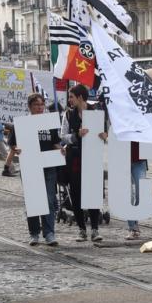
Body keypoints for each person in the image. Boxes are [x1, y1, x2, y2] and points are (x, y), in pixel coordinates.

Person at [61, 84, 107, 242]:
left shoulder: (96, 112)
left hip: (92, 156)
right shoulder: (67, 115)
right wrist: (75, 135)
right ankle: (81, 229)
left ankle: (94, 229)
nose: (69, 100)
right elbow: (63, 137)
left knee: (93, 192)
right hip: (74, 157)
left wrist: (104, 135)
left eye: (71, 96)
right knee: (76, 193)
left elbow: (106, 132)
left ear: (80, 97)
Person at [15, 94, 60, 246]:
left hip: (48, 166)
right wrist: (17, 150)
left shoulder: (49, 122)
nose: (40, 108)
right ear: (30, 107)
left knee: (48, 199)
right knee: (33, 200)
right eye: (36, 105)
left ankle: (49, 233)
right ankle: (34, 233)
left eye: (42, 105)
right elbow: (14, 143)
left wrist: (61, 150)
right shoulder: (23, 123)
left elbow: (55, 142)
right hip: (30, 166)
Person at [126, 141, 147, 240]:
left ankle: (135, 221)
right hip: (122, 160)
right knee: (129, 196)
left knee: (141, 194)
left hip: (139, 160)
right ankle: (132, 227)